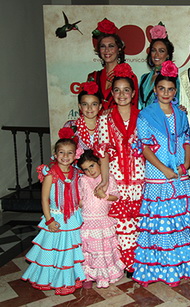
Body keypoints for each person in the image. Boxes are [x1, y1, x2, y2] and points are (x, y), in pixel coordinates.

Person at [133, 61, 190, 287]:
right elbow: (145, 148)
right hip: (158, 176)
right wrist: (165, 170)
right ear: (155, 90)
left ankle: (179, 265)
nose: (166, 93)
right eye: (162, 89)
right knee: (160, 223)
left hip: (179, 175)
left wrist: (186, 165)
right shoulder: (145, 115)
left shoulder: (180, 114)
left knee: (178, 223)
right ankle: (159, 267)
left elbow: (187, 140)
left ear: (175, 91)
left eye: (171, 89)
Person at [94, 63, 145, 274]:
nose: (121, 94)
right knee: (121, 222)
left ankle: (140, 260)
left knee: (140, 219)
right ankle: (125, 263)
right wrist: (105, 181)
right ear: (111, 93)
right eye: (117, 90)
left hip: (140, 177)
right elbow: (103, 153)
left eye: (126, 90)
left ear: (133, 93)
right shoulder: (105, 119)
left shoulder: (142, 116)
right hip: (116, 177)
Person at [22, 130, 85, 295]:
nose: (65, 156)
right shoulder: (50, 175)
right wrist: (49, 220)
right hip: (55, 217)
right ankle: (51, 279)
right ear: (55, 155)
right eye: (61, 152)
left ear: (75, 155)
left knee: (69, 250)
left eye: (70, 152)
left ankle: (67, 278)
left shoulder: (77, 173)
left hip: (72, 218)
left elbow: (76, 193)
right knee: (53, 250)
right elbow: (44, 199)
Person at [77, 149, 125, 289]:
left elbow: (116, 196)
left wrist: (103, 195)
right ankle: (87, 275)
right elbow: (80, 198)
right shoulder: (83, 180)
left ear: (99, 162)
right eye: (86, 169)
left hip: (102, 219)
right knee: (88, 250)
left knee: (102, 249)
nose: (90, 171)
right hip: (87, 220)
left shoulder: (108, 178)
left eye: (92, 166)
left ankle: (104, 275)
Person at [88, 18, 139, 111]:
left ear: (119, 49)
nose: (107, 50)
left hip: (120, 124)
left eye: (111, 46)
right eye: (103, 46)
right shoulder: (93, 77)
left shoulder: (130, 77)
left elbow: (133, 108)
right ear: (98, 50)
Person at [139, 22, 180, 109]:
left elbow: (175, 103)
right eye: (154, 50)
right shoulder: (144, 78)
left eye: (161, 51)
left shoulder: (173, 78)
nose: (156, 55)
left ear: (168, 55)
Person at [63, 81, 102, 150]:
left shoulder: (106, 126)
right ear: (80, 106)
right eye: (85, 104)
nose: (89, 108)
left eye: (94, 104)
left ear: (100, 106)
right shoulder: (71, 126)